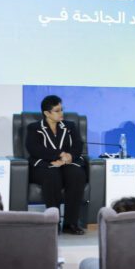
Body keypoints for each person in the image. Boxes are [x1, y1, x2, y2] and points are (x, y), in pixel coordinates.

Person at [26, 95, 86, 235]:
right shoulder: (34, 128)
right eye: (57, 111)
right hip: (43, 165)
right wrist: (59, 154)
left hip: (67, 163)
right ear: (47, 113)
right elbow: (35, 149)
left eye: (62, 109)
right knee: (51, 175)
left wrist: (67, 158)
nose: (61, 113)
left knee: (77, 174)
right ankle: (53, 221)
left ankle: (70, 223)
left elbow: (78, 145)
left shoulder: (69, 126)